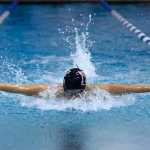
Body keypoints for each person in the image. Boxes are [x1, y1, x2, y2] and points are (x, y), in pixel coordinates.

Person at [0, 67, 150, 98]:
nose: (73, 96)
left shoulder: (101, 90)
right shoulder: (48, 91)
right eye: (69, 92)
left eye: (77, 92)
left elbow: (134, 88)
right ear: (63, 86)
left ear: (84, 88)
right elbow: (18, 89)